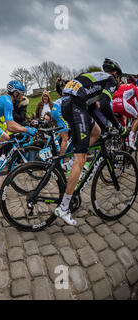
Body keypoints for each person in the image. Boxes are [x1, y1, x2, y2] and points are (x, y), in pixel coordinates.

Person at [54, 58, 127, 226]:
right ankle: (64, 207)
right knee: (81, 159)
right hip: (75, 105)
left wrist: (106, 129)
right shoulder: (109, 80)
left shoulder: (94, 77)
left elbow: (93, 110)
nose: (117, 83)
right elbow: (106, 106)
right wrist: (120, 128)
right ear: (115, 75)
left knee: (97, 132)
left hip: (68, 104)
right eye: (118, 79)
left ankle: (71, 162)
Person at [112, 82, 138, 149]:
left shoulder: (123, 86)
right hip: (121, 102)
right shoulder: (135, 88)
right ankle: (131, 138)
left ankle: (118, 142)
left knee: (122, 127)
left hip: (114, 103)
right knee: (137, 117)